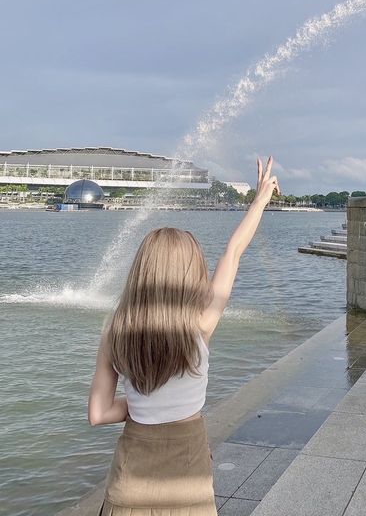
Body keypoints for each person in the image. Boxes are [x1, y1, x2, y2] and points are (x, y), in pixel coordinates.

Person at [88, 157, 280, 515]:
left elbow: (98, 414)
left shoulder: (116, 330)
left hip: (129, 487)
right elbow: (233, 253)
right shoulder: (200, 327)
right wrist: (259, 201)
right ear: (191, 275)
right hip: (187, 487)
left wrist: (138, 405)